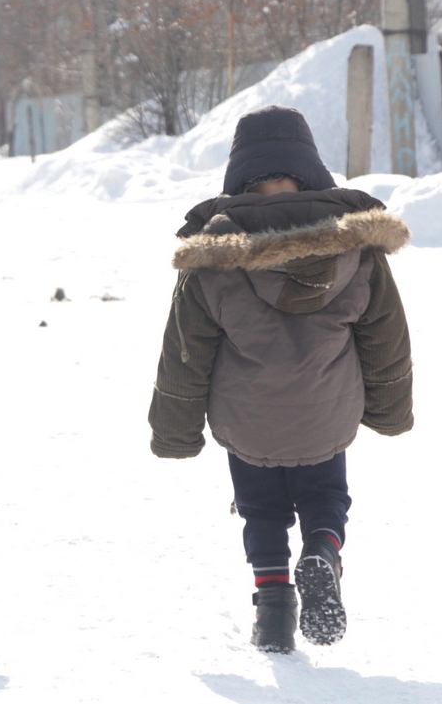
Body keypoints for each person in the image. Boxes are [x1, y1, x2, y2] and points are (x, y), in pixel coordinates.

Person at [147, 105, 413, 654]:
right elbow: (385, 336)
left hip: (248, 420)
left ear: (240, 179)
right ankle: (321, 549)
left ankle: (272, 610)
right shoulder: (356, 249)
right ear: (310, 172)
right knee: (325, 497)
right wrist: (388, 411)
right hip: (325, 413)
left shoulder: (212, 257)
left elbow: (185, 351)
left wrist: (176, 431)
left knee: (261, 509)